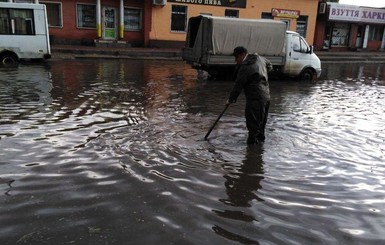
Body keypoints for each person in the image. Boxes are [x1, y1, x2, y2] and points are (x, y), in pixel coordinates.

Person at [227, 46, 272, 144]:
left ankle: (251, 152)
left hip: (255, 98)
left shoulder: (246, 66)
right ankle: (259, 150)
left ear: (243, 55)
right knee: (261, 124)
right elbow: (270, 66)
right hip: (266, 96)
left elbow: (238, 84)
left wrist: (231, 99)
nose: (236, 60)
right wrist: (261, 76)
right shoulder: (260, 58)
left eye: (237, 57)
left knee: (253, 125)